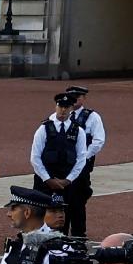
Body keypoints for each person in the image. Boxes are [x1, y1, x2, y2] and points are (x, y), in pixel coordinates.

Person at [30, 92, 94, 239]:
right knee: (41, 218)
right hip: (45, 183)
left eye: (66, 107)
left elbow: (81, 159)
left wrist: (68, 180)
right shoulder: (44, 129)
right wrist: (48, 179)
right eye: (60, 106)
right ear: (56, 106)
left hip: (68, 184)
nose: (63, 110)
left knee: (65, 218)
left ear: (71, 108)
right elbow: (35, 157)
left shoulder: (78, 131)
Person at [65, 86, 108, 236]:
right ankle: (60, 234)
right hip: (63, 166)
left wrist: (82, 157)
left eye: (79, 96)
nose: (75, 99)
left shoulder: (92, 117)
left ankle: (78, 236)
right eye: (72, 96)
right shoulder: (61, 115)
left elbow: (98, 141)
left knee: (77, 202)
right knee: (61, 201)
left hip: (81, 167)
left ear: (84, 98)